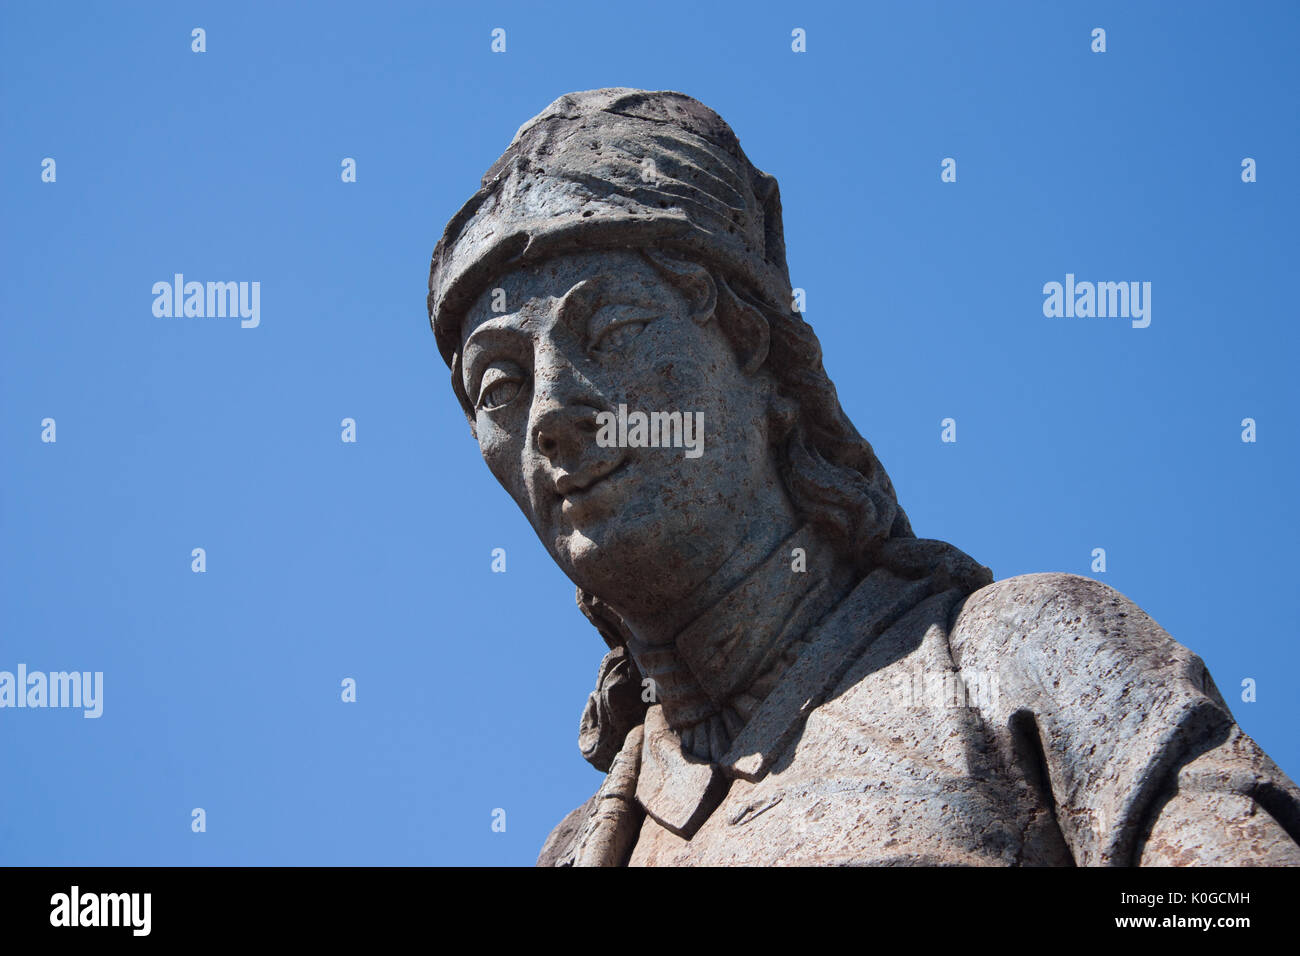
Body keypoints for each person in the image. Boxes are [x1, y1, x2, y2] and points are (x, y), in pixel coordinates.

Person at [426, 88, 1300, 866]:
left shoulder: (1018, 654)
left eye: (612, 331)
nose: (549, 411)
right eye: (499, 385)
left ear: (759, 362)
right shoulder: (582, 848)